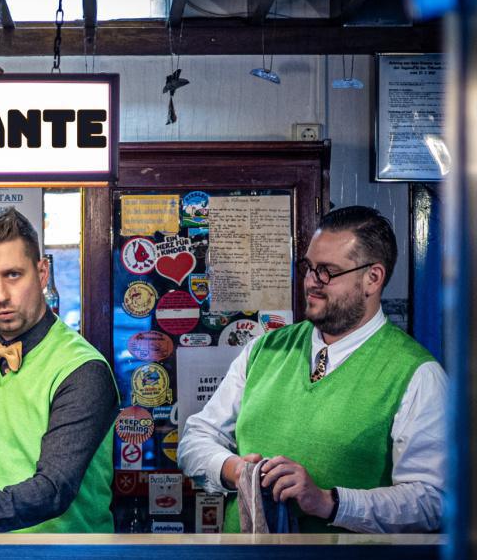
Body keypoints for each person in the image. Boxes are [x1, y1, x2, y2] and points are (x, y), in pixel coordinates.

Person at [178, 206, 447, 533]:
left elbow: (432, 501)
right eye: (309, 267)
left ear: (372, 278)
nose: (312, 282)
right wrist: (235, 470)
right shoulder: (264, 349)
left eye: (328, 272)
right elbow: (196, 437)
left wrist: (328, 502)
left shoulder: (417, 373)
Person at [0, 208, 119, 533]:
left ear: (42, 274)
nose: (0, 296)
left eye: (13, 275)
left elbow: (54, 489)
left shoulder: (83, 369)